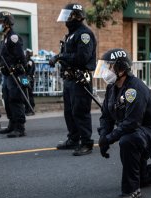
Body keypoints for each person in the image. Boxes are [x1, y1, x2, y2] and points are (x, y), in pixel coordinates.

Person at [95, 48, 151, 198]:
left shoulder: (134, 88)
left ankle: (131, 189)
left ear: (121, 68)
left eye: (109, 66)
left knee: (128, 140)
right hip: (136, 131)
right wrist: (103, 136)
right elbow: (106, 116)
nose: (106, 70)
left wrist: (110, 138)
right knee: (140, 177)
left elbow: (131, 123)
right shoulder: (112, 88)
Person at [50, 3, 97, 156]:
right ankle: (73, 139)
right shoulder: (71, 34)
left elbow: (82, 58)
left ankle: (86, 143)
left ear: (77, 16)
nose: (66, 19)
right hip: (70, 79)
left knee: (80, 111)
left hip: (80, 79)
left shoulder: (84, 34)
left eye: (68, 16)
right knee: (69, 112)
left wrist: (60, 56)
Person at [0, 11, 28, 138]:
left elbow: (21, 58)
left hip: (14, 75)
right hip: (6, 75)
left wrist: (17, 68)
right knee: (7, 100)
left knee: (15, 100)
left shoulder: (14, 37)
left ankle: (20, 127)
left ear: (7, 23)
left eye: (0, 22)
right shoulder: (5, 37)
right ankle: (12, 124)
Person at [24, 48, 36, 116]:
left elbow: (29, 71)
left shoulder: (30, 61)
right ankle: (27, 109)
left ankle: (31, 109)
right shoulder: (25, 61)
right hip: (25, 78)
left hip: (28, 78)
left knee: (29, 93)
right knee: (25, 93)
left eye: (27, 53)